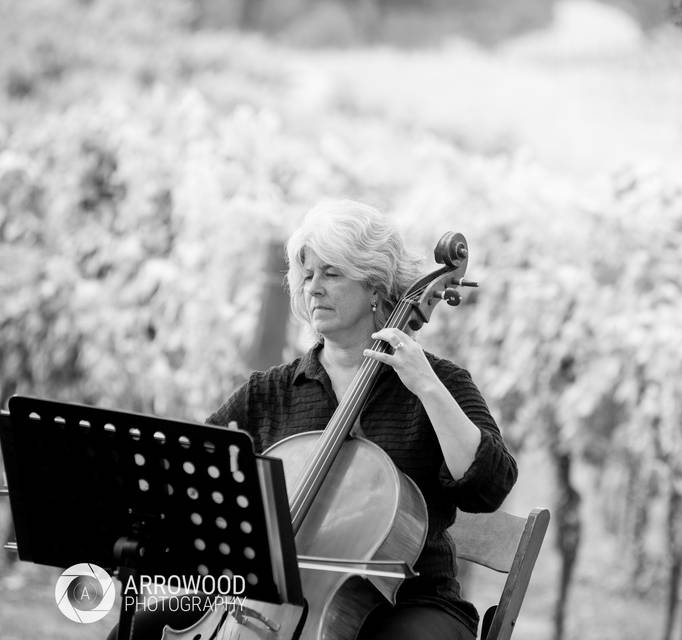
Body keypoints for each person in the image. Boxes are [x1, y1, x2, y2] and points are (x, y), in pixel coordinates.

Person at [108, 200, 517, 640]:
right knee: (131, 633)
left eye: (331, 273)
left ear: (376, 286)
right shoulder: (271, 392)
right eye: (307, 275)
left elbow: (489, 486)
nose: (313, 288)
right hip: (263, 593)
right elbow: (193, 470)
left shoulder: (438, 383)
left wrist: (427, 388)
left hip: (407, 601)